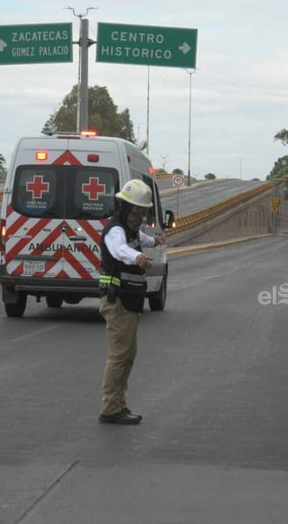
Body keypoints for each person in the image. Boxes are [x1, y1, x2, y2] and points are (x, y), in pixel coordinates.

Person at [97, 179, 165, 425]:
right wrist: (137, 257)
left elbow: (139, 239)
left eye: (143, 211)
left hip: (129, 300)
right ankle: (111, 407)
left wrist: (153, 242)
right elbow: (119, 250)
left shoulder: (131, 228)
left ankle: (118, 404)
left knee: (128, 354)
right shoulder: (116, 230)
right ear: (124, 207)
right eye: (136, 211)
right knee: (120, 355)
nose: (140, 216)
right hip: (118, 301)